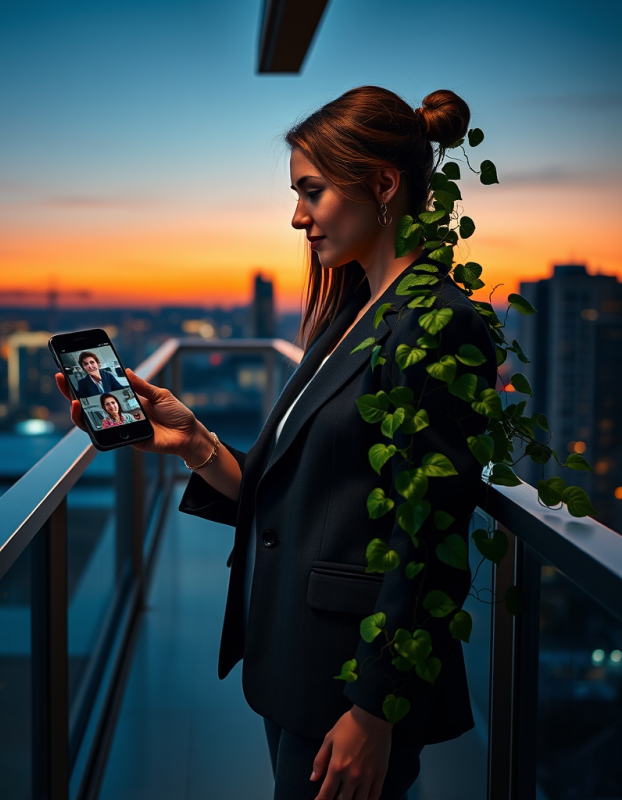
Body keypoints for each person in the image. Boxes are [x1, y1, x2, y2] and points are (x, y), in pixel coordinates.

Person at [57, 86, 495, 800]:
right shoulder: (355, 314)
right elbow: (308, 489)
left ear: (383, 184)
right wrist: (195, 441)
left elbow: (433, 537)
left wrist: (374, 709)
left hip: (351, 689)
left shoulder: (439, 326)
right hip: (300, 662)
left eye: (312, 192)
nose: (297, 218)